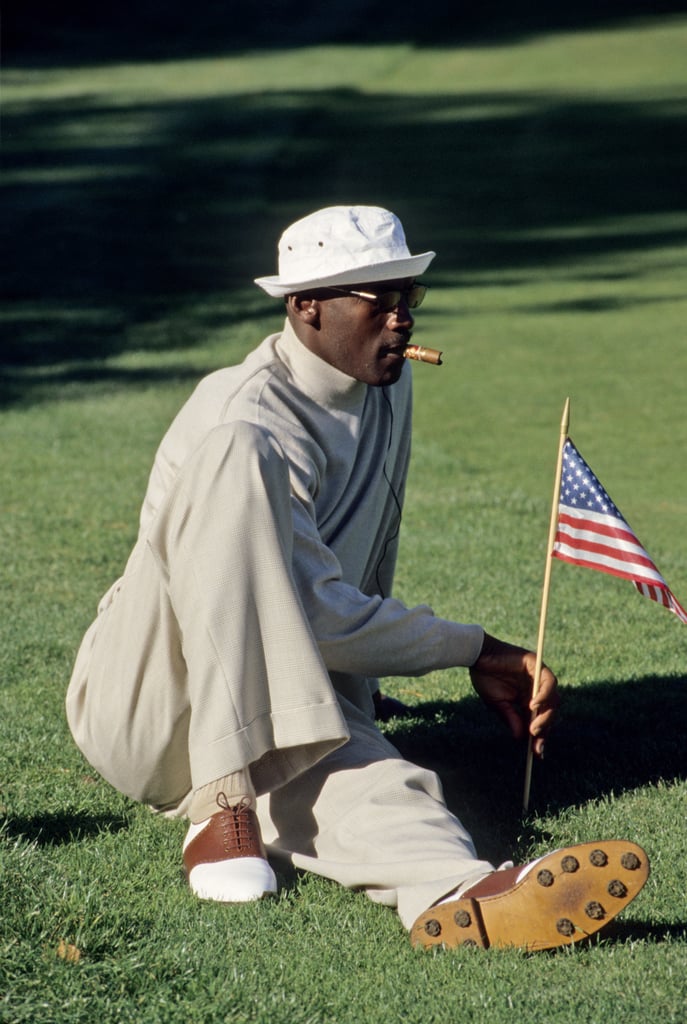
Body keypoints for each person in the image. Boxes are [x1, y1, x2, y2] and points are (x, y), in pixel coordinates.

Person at [66, 205, 648, 951]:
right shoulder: (245, 412)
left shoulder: (386, 385)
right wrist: (476, 648)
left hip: (269, 690)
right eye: (381, 301)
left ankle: (467, 892)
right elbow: (313, 614)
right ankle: (223, 803)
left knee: (386, 785)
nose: (402, 321)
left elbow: (359, 573)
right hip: (147, 701)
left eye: (411, 298)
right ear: (305, 308)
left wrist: (358, 703)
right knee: (234, 455)